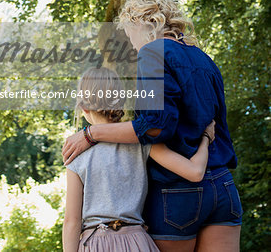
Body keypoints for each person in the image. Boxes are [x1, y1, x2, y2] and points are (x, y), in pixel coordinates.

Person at [62, 0, 243, 252]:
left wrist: (91, 134)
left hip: (178, 193)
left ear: (141, 24)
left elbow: (155, 125)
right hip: (223, 187)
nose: (133, 45)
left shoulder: (153, 52)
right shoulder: (205, 60)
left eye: (130, 35)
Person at [63, 66, 215, 252]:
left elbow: (71, 221)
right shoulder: (142, 141)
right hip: (137, 242)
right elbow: (195, 172)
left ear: (84, 108)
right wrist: (206, 138)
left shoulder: (75, 154)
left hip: (95, 243)